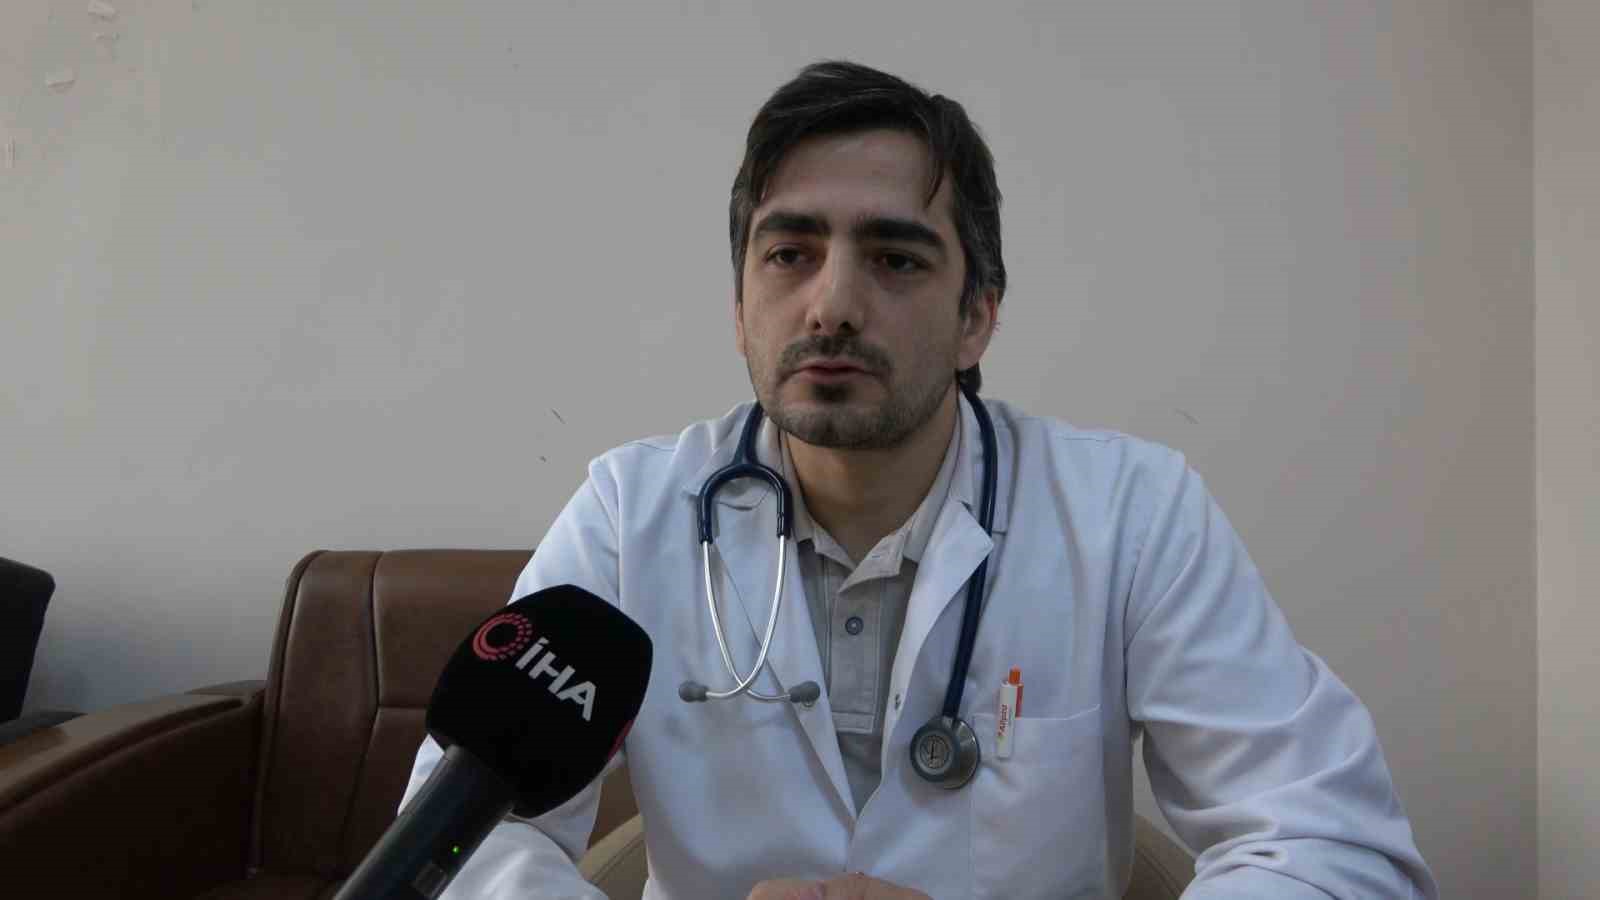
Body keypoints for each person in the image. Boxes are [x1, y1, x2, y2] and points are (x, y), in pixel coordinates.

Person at [402, 59, 1438, 900]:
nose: (831, 305)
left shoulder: (1130, 512)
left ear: (977, 315)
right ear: (739, 307)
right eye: (789, 254)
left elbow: (1329, 841)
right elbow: (459, 847)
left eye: (895, 259)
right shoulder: (629, 515)